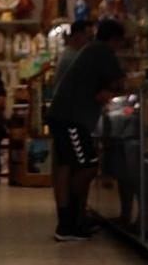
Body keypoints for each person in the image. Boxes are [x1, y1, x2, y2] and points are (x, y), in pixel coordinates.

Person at [47, 18, 128, 241]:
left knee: (68, 166)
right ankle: (72, 219)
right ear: (114, 40)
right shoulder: (102, 51)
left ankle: (69, 221)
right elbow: (120, 82)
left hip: (64, 116)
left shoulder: (90, 51)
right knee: (88, 166)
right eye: (121, 42)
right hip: (72, 118)